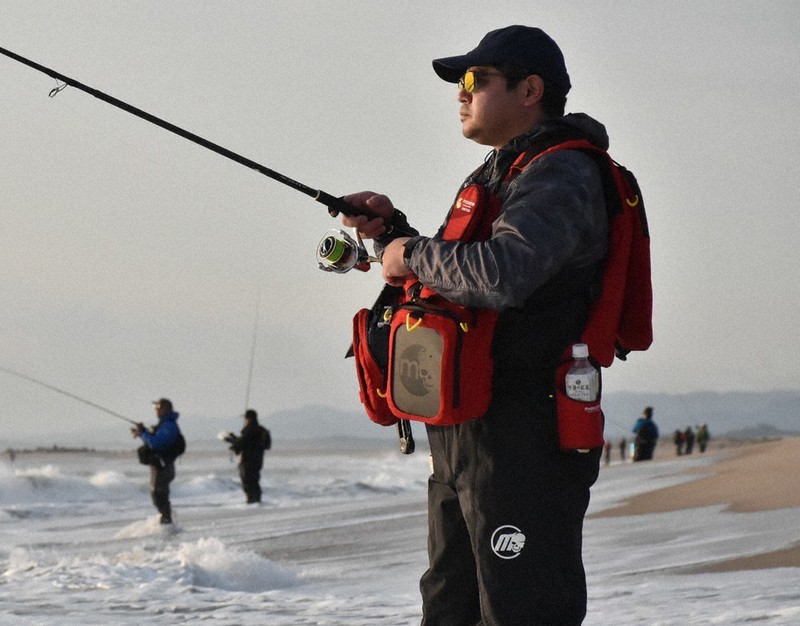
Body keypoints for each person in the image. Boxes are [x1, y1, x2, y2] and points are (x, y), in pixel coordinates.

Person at [339, 25, 612, 625]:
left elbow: (507, 272)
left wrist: (409, 252)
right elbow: (460, 279)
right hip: (467, 429)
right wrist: (392, 231)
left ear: (530, 89)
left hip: (524, 430)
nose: (460, 94)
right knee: (447, 605)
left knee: (521, 609)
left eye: (474, 80)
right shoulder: (502, 171)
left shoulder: (559, 174)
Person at [132, 398, 181, 524]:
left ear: (166, 409)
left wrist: (143, 433)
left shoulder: (169, 425)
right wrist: (143, 432)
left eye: (158, 407)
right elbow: (154, 441)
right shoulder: (164, 425)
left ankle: (166, 523)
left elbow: (156, 444)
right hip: (161, 466)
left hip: (164, 467)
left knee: (159, 495)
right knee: (158, 495)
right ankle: (166, 522)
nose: (156, 410)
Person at [223, 409, 271, 504]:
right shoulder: (261, 430)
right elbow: (246, 442)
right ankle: (256, 501)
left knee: (248, 482)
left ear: (248, 419)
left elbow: (242, 443)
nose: (244, 420)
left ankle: (252, 501)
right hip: (258, 460)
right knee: (254, 481)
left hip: (248, 461)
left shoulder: (249, 430)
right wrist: (234, 439)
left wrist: (230, 441)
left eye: (245, 418)